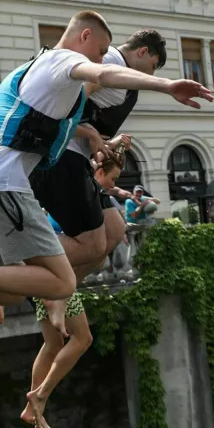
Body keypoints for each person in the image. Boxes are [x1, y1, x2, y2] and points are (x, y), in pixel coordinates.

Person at [0, 11, 212, 428]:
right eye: (99, 48)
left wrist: (96, 139)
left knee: (9, 286)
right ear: (86, 38)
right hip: (2, 183)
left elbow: (79, 106)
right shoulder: (60, 62)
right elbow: (102, 74)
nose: (103, 57)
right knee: (64, 281)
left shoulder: (31, 68)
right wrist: (167, 85)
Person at [28, 30, 166, 317]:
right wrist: (90, 135)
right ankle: (23, 265)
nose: (150, 73)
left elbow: (87, 119)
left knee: (115, 230)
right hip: (61, 157)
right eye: (153, 65)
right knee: (94, 243)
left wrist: (105, 142)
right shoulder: (113, 63)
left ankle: (60, 293)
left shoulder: (118, 75)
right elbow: (65, 108)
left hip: (76, 158)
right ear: (142, 53)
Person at [21, 156, 126, 428]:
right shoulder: (79, 204)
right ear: (99, 171)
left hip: (47, 280)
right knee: (82, 338)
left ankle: (34, 404)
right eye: (113, 179)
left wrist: (115, 190)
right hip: (56, 282)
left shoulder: (79, 198)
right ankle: (40, 395)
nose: (113, 185)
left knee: (53, 343)